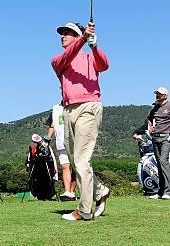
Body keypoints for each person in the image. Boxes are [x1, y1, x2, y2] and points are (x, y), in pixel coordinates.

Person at [51, 21, 110, 221]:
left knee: (81, 160)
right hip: (68, 110)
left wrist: (93, 46)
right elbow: (66, 58)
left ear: (77, 36)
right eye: (62, 33)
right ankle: (100, 191)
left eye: (68, 33)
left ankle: (85, 211)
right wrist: (84, 39)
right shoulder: (59, 59)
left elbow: (104, 65)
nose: (63, 36)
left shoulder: (89, 56)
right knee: (76, 160)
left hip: (89, 106)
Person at [147, 87, 170, 200]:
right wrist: (150, 127)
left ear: (165, 95)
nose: (157, 95)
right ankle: (160, 192)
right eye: (157, 93)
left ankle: (167, 192)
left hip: (166, 139)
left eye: (160, 94)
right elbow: (149, 118)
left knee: (164, 161)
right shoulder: (155, 107)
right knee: (159, 164)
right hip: (155, 138)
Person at [46, 103, 78, 201]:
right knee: (65, 166)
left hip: (76, 142)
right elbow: (52, 125)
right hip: (61, 142)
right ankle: (67, 192)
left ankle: (72, 191)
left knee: (76, 168)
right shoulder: (56, 109)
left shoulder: (76, 105)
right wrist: (47, 140)